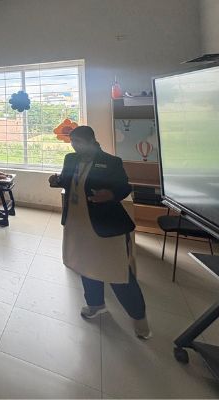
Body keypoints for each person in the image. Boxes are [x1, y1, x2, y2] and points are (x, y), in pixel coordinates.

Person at [48, 125, 151, 339]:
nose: (74, 146)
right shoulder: (71, 159)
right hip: (78, 223)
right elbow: (67, 180)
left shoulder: (111, 162)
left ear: (91, 141)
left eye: (78, 142)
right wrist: (56, 181)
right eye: (72, 142)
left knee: (118, 273)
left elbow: (124, 187)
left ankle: (139, 319)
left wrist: (110, 194)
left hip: (105, 226)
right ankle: (95, 304)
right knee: (86, 267)